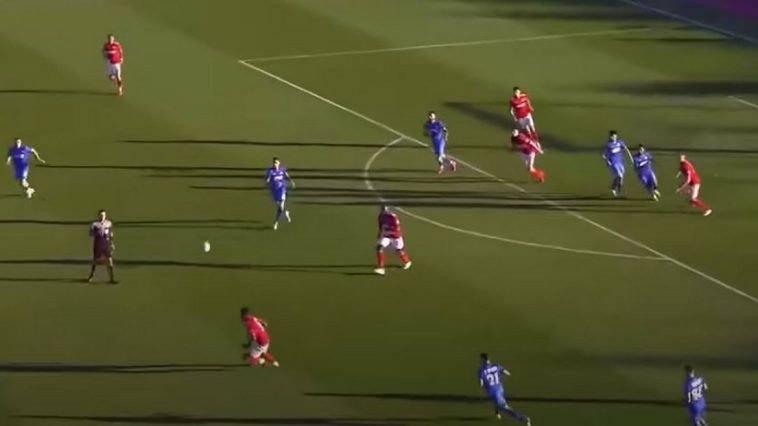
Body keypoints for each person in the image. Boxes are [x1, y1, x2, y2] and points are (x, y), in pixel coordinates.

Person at [478, 353, 531, 424]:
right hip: (500, 388)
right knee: (499, 402)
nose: (480, 361)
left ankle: (525, 419)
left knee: (506, 409)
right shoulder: (496, 366)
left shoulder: (481, 370)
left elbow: (481, 383)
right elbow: (506, 372)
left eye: (480, 359)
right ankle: (497, 411)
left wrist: (484, 384)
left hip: (493, 392)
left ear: (483, 360)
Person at [374, 205, 412, 276]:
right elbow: (381, 225)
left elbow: (397, 228)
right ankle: (381, 268)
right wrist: (379, 233)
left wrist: (389, 232)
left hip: (396, 237)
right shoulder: (381, 216)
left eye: (384, 209)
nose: (382, 211)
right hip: (387, 236)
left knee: (399, 251)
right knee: (379, 247)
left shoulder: (393, 217)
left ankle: (407, 261)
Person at [265, 157, 295, 230]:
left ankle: (276, 222)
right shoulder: (270, 171)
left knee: (281, 207)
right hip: (274, 191)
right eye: (274, 163)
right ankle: (286, 212)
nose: (275, 164)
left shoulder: (282, 169)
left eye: (276, 163)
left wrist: (291, 181)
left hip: (282, 189)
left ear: (279, 163)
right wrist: (267, 180)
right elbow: (268, 178)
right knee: (280, 206)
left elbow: (287, 176)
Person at [87, 209, 117, 284]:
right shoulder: (95, 224)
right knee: (95, 260)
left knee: (109, 260)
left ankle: (112, 278)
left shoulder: (108, 223)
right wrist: (96, 233)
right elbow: (90, 234)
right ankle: (91, 276)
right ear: (98, 216)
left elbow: (111, 233)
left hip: (106, 243)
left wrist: (112, 243)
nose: (102, 216)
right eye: (101, 215)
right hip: (98, 243)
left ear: (105, 215)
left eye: (103, 215)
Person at [602, 130, 633, 197]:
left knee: (619, 176)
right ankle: (618, 188)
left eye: (614, 136)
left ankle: (613, 187)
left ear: (616, 136)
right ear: (610, 137)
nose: (613, 137)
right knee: (619, 175)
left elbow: (626, 150)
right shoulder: (608, 145)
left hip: (620, 162)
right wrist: (607, 161)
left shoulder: (620, 143)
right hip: (613, 163)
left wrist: (631, 159)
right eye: (612, 136)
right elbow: (604, 155)